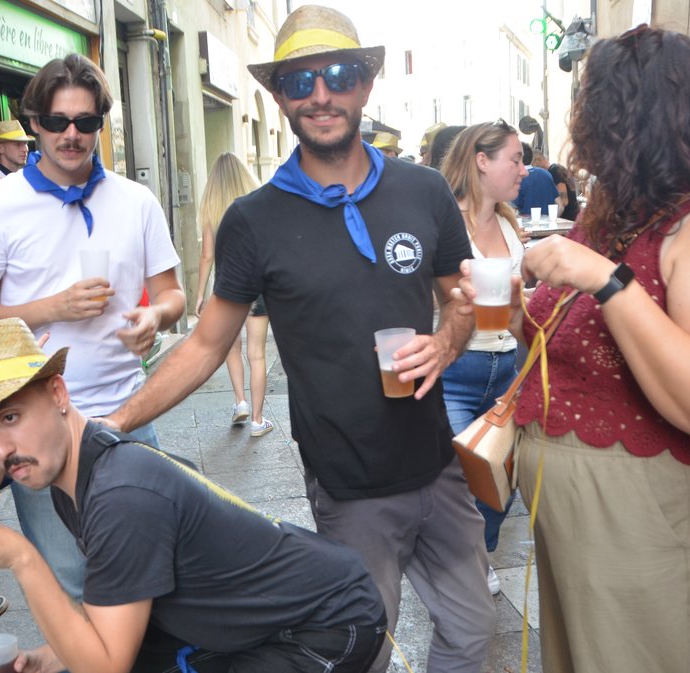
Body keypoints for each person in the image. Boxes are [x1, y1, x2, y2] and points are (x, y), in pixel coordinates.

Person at [107, 6, 495, 672]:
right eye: (300, 81)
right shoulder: (252, 221)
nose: (321, 94)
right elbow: (204, 345)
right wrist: (115, 421)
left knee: (474, 630)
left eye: (339, 74)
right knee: (362, 649)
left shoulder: (425, 190)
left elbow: (460, 301)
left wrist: (449, 341)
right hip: (349, 488)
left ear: (366, 85)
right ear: (279, 95)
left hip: (438, 465)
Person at [454, 25, 690, 672]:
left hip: (656, 516)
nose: (583, 136)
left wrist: (605, 280)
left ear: (639, 117)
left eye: (595, 109)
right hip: (585, 516)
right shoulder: (623, 213)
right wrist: (506, 309)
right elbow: (585, 347)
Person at [0, 318, 387, 673]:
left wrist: (22, 558)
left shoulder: (119, 493)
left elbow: (106, 666)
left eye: (10, 418)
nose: (1, 450)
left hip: (325, 623)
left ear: (58, 393)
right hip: (260, 614)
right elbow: (113, 608)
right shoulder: (77, 470)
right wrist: (52, 656)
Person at [0, 53, 185, 601]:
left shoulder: (135, 201)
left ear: (99, 126)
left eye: (86, 122)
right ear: (34, 122)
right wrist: (50, 308)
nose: (72, 134)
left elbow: (174, 294)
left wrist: (154, 316)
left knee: (154, 578)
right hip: (37, 426)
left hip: (129, 420)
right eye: (58, 121)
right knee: (73, 586)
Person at [438, 121, 528, 596]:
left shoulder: (512, 224)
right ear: (482, 161)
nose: (522, 168)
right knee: (460, 481)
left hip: (506, 368)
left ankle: (482, 555)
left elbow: (518, 296)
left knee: (501, 480)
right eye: (514, 158)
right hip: (458, 370)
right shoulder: (445, 220)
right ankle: (462, 565)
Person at [195, 153, 274, 436]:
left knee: (231, 348)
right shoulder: (256, 202)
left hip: (226, 287)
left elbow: (206, 256)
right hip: (257, 286)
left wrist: (201, 294)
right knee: (257, 354)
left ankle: (239, 401)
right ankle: (257, 419)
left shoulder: (211, 206)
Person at [512, 141, 559, 216]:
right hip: (548, 224)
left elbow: (513, 209)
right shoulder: (546, 174)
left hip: (526, 224)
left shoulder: (517, 178)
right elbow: (559, 204)